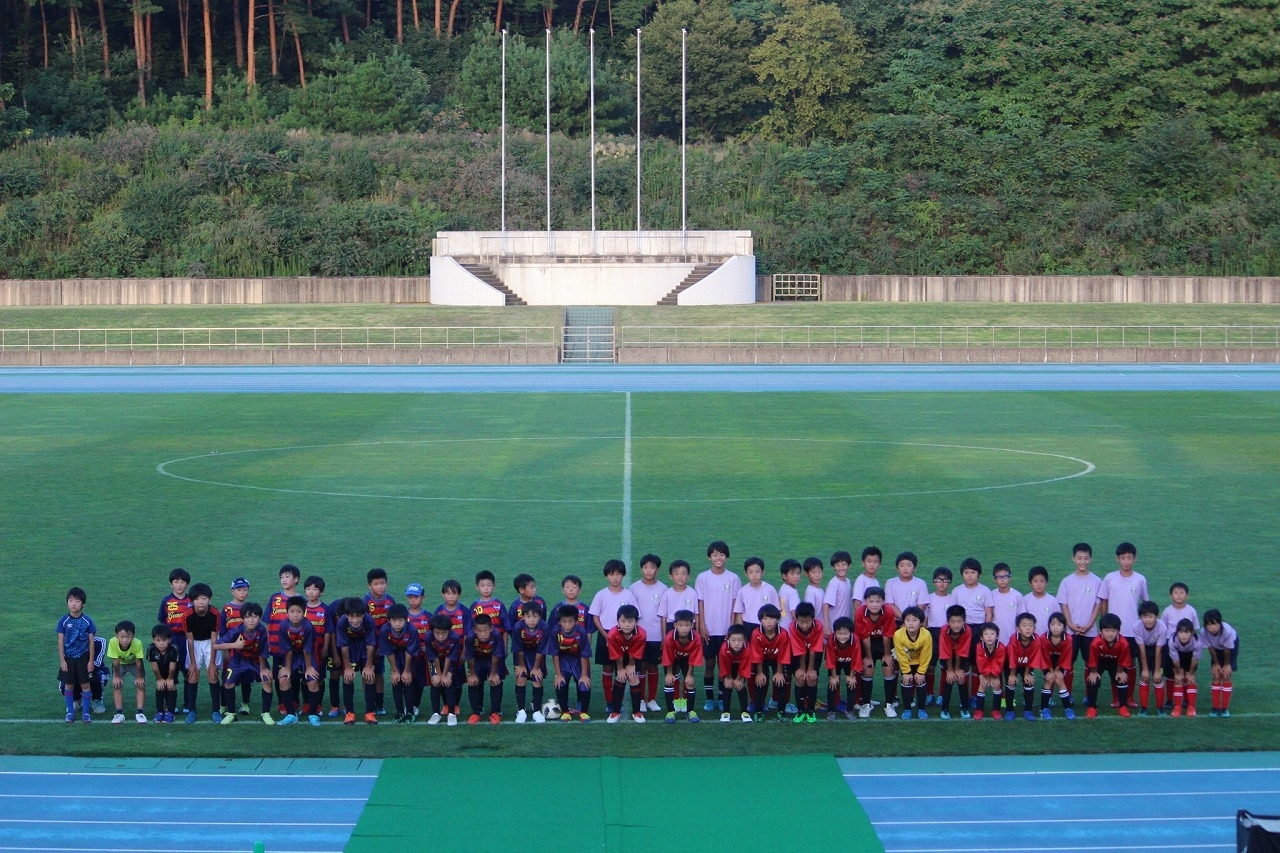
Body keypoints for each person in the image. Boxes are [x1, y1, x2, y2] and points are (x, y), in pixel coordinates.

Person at [1098, 542, 1148, 706]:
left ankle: (1129, 697)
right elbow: (1103, 602)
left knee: (1130, 663)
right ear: (1117, 559)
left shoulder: (1140, 579)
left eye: (1129, 558)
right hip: (1113, 631)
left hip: (1133, 630)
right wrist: (1104, 626)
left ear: (1135, 559)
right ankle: (1116, 697)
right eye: (1123, 558)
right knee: (1115, 664)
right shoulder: (1110, 578)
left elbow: (1146, 604)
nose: (1126, 561)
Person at [696, 541, 740, 712]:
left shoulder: (733, 578)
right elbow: (700, 603)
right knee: (709, 663)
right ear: (709, 557)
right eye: (715, 554)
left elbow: (735, 606)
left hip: (725, 631)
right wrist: (701, 626)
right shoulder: (702, 578)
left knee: (724, 665)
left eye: (722, 554)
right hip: (708, 629)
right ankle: (709, 699)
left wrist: (731, 628)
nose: (718, 558)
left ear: (727, 557)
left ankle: (722, 698)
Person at [590, 559, 638, 713]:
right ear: (606, 576)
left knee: (622, 669)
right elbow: (595, 617)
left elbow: (635, 616)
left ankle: (619, 701)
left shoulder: (628, 595)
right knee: (607, 667)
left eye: (618, 574)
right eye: (611, 574)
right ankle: (609, 701)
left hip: (624, 636)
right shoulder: (601, 595)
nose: (615, 577)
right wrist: (606, 636)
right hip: (605, 634)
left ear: (623, 575)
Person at [214, 603, 274, 726]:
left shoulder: (262, 630)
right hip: (238, 660)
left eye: (255, 616)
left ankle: (266, 714)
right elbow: (216, 645)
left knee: (267, 680)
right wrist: (234, 645)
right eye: (247, 617)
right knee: (228, 683)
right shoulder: (237, 630)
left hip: (256, 660)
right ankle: (231, 714)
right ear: (242, 618)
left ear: (259, 618)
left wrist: (263, 669)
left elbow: (263, 651)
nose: (251, 620)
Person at [1057, 543, 1102, 694]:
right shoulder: (1067, 581)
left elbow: (1098, 605)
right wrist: (1069, 623)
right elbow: (1064, 605)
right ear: (1073, 559)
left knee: (1091, 664)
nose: (1083, 562)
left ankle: (1089, 696)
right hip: (1070, 632)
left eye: (1086, 558)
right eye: (1079, 558)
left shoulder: (1096, 581)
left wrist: (1089, 625)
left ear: (1091, 559)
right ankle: (1067, 694)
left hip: (1090, 632)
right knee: (1068, 664)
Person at [631, 554, 669, 712]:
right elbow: (631, 616)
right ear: (641, 569)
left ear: (657, 570)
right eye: (645, 567)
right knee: (640, 667)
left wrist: (664, 636)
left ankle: (651, 699)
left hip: (656, 635)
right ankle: (640, 700)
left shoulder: (663, 589)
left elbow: (664, 615)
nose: (648, 570)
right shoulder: (634, 588)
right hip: (639, 637)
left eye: (652, 567)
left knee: (653, 667)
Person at [275, 595, 320, 726]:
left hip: (308, 656)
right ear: (287, 612)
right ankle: (291, 714)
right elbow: (287, 649)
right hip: (292, 656)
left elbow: (307, 649)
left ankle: (313, 714)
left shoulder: (308, 626)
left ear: (304, 612)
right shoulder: (283, 626)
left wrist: (309, 667)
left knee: (312, 681)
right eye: (292, 611)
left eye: (299, 612)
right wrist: (287, 668)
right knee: (283, 679)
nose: (295, 615)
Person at [544, 604, 593, 721]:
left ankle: (584, 712)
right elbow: (554, 653)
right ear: (559, 621)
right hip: (563, 660)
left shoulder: (581, 631)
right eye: (564, 621)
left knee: (584, 684)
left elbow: (584, 654)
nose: (567, 625)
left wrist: (584, 675)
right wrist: (558, 674)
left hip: (579, 660)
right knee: (560, 683)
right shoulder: (555, 631)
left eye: (570, 622)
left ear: (576, 621)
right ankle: (565, 712)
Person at [855, 587, 899, 717]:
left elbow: (887, 635)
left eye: (878, 601)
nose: (874, 604)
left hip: (884, 641)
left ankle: (889, 704)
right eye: (871, 601)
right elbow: (864, 637)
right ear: (865, 602)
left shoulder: (889, 612)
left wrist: (886, 655)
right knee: (868, 668)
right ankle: (866, 704)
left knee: (888, 668)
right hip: (868, 642)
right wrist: (868, 657)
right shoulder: (859, 612)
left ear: (883, 602)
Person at [183, 582, 223, 724]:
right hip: (194, 643)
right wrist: (193, 662)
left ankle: (215, 710)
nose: (201, 602)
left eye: (204, 598)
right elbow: (190, 640)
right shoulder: (187, 615)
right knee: (193, 674)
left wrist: (212, 662)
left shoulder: (215, 613)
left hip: (210, 643)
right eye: (197, 599)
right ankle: (192, 710)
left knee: (212, 674)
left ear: (209, 599)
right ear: (192, 600)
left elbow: (214, 639)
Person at [953, 558, 992, 699]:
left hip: (979, 630)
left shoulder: (985, 590)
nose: (969, 575)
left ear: (979, 574)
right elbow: (954, 614)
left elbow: (988, 613)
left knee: (977, 664)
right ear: (962, 574)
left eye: (973, 572)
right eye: (966, 572)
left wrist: (985, 632)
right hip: (963, 631)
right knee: (964, 663)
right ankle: (964, 696)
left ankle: (975, 695)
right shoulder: (957, 591)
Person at [333, 598, 377, 724]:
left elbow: (370, 644)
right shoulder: (341, 622)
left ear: (364, 614)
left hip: (364, 647)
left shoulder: (369, 621)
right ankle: (350, 713)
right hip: (350, 647)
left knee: (370, 676)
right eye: (351, 616)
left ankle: (370, 712)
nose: (355, 620)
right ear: (346, 615)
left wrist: (369, 666)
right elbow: (343, 645)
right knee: (347, 677)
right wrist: (347, 667)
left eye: (358, 616)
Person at [57, 587, 96, 724]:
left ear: (82, 604)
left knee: (85, 685)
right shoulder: (63, 621)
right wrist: (62, 660)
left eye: (77, 601)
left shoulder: (87, 621)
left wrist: (91, 660)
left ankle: (86, 712)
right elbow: (60, 641)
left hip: (83, 658)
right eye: (71, 600)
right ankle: (70, 712)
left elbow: (91, 641)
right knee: (69, 685)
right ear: (67, 602)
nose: (73, 604)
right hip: (68, 658)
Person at [604, 603, 648, 723]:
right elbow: (615, 653)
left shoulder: (641, 633)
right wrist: (620, 668)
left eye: (630, 621)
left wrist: (631, 665)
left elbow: (636, 652)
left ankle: (637, 712)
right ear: (618, 621)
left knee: (634, 678)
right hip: (619, 657)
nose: (626, 624)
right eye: (623, 621)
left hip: (634, 657)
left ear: (636, 621)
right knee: (620, 677)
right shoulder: (612, 634)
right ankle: (615, 712)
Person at [376, 603, 419, 724]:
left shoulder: (412, 630)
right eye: (394, 620)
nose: (397, 624)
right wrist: (395, 670)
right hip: (394, 656)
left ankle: (410, 712)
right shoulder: (384, 630)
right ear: (389, 620)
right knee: (396, 681)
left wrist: (406, 671)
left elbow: (410, 651)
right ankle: (399, 712)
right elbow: (388, 651)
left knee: (407, 681)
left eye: (400, 620)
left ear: (406, 620)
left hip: (409, 657)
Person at [158, 568, 193, 714]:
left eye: (182, 582)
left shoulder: (192, 600)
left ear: (187, 584)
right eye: (176, 582)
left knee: (188, 671)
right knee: (169, 673)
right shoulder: (166, 601)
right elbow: (162, 621)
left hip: (187, 639)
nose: (179, 585)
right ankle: (169, 704)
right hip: (171, 640)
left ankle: (188, 704)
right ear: (171, 584)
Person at [748, 604, 791, 722]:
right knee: (760, 681)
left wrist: (779, 672)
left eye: (772, 619)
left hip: (778, 659)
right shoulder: (756, 633)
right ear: (760, 620)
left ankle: (781, 711)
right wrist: (760, 673)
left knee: (781, 682)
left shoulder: (783, 634)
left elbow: (783, 654)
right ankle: (758, 711)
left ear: (777, 620)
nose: (769, 622)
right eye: (765, 619)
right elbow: (757, 655)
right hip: (763, 660)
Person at [1085, 613, 1133, 718]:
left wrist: (1120, 671)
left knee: (1122, 679)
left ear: (1118, 631)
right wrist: (1093, 672)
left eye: (1113, 631)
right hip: (1100, 662)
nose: (1110, 634)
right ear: (1101, 631)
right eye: (1106, 631)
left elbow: (1123, 660)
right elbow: (1093, 659)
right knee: (1093, 680)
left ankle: (1123, 707)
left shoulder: (1123, 643)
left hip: (1116, 663)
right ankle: (1091, 707)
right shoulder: (1096, 642)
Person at [660, 609, 703, 723]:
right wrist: (669, 673)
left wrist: (689, 674)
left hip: (687, 660)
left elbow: (694, 657)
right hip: (672, 660)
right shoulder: (669, 637)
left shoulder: (696, 637)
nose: (684, 628)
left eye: (687, 625)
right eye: (680, 625)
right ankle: (670, 712)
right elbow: (668, 657)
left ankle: (690, 711)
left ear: (692, 625)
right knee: (669, 681)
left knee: (689, 682)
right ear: (675, 625)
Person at [464, 613, 507, 724]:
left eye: (485, 631)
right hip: (477, 660)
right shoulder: (470, 637)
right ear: (474, 630)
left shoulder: (496, 635)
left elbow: (496, 655)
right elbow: (470, 657)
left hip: (493, 660)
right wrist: (472, 674)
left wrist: (493, 673)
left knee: (495, 681)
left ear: (491, 629)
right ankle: (475, 712)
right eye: (479, 631)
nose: (482, 634)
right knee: (473, 682)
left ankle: (495, 712)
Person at [510, 603, 549, 723]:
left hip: (536, 654)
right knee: (520, 677)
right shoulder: (517, 627)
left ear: (540, 617)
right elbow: (518, 649)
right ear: (523, 617)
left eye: (535, 616)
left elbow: (541, 650)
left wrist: (536, 668)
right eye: (528, 616)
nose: (531, 620)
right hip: (522, 654)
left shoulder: (545, 628)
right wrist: (521, 666)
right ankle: (521, 710)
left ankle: (536, 710)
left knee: (537, 678)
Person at [364, 567, 396, 715]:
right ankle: (369, 701)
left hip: (384, 644)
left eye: (382, 583)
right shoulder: (365, 602)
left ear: (386, 584)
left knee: (380, 672)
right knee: (368, 673)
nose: (380, 587)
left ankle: (380, 703)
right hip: (368, 644)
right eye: (376, 584)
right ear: (369, 586)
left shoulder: (390, 601)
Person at [893, 605, 933, 719]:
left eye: (914, 620)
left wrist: (920, 672)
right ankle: (907, 709)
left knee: (920, 681)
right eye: (908, 620)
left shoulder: (926, 635)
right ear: (903, 622)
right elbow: (901, 655)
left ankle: (921, 709)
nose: (911, 623)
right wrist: (906, 672)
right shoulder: (898, 634)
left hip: (921, 662)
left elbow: (926, 655)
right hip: (907, 662)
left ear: (921, 623)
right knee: (906, 681)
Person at [423, 614, 462, 725]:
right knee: (435, 683)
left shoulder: (455, 637)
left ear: (449, 631)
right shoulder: (428, 637)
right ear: (432, 631)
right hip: (435, 661)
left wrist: (446, 674)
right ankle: (435, 713)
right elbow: (432, 657)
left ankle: (451, 713)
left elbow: (451, 657)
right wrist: (438, 674)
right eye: (437, 633)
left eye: (443, 633)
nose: (440, 637)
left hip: (450, 661)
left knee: (448, 683)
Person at [1004, 613, 1044, 720]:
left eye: (1031, 625)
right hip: (1011, 664)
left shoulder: (1036, 639)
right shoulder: (1014, 638)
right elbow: (1011, 657)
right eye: (1024, 625)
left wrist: (1027, 673)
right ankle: (1009, 710)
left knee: (1029, 683)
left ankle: (1028, 710)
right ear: (1018, 628)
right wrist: (1012, 674)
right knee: (1010, 684)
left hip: (1026, 665)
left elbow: (1034, 657)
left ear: (1034, 628)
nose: (1028, 628)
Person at [924, 567, 955, 706]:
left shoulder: (952, 599)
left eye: (945, 580)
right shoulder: (928, 598)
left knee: (944, 666)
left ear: (949, 582)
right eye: (938, 580)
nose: (941, 583)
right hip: (931, 634)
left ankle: (942, 695)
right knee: (930, 666)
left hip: (946, 635)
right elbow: (925, 618)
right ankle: (929, 693)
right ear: (934, 581)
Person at [788, 602, 825, 722]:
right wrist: (802, 669)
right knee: (800, 678)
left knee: (811, 678)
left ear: (813, 619)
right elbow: (799, 650)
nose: (804, 625)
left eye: (807, 622)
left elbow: (814, 649)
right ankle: (800, 711)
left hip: (814, 654)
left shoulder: (818, 626)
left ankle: (810, 710)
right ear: (796, 619)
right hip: (798, 655)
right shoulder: (792, 627)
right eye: (801, 622)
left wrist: (810, 669)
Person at [1035, 612, 1076, 719]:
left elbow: (1065, 656)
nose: (1055, 628)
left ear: (1064, 627)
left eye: (1059, 625)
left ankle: (1068, 708)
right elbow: (1044, 656)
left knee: (1059, 680)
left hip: (1060, 664)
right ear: (1049, 626)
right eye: (1053, 625)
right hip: (1048, 664)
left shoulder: (1068, 639)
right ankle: (1043, 709)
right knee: (1049, 680)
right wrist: (1051, 671)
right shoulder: (1044, 638)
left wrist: (1057, 670)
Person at [222, 578, 253, 715]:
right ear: (232, 591)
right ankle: (224, 705)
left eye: (245, 590)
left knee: (246, 678)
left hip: (247, 650)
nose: (242, 593)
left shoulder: (250, 609)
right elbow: (222, 631)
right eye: (239, 590)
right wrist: (225, 650)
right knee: (227, 678)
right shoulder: (227, 608)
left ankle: (245, 704)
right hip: (231, 649)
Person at [106, 620, 147, 724]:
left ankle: (140, 712)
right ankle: (119, 713)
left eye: (128, 637)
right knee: (117, 685)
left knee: (140, 685)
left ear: (133, 636)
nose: (125, 640)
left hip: (134, 663)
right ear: (116, 635)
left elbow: (139, 661)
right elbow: (115, 662)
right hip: (120, 664)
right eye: (122, 637)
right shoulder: (113, 642)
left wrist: (139, 677)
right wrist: (116, 676)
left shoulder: (137, 643)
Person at [937, 605, 973, 720]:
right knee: (949, 680)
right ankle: (945, 709)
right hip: (947, 657)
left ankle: (964, 707)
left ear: (964, 621)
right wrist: (950, 670)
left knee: (961, 679)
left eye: (959, 621)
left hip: (962, 657)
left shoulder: (967, 630)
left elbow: (961, 651)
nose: (956, 625)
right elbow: (946, 650)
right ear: (948, 622)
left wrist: (958, 669)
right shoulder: (944, 630)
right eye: (952, 621)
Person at [1132, 600, 1167, 716]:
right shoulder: (1136, 627)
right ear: (1140, 617)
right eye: (1144, 617)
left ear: (1157, 616)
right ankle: (1143, 708)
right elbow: (1141, 649)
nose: (1147, 620)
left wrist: (1157, 670)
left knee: (1158, 678)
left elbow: (1159, 650)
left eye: (1151, 617)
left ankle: (1160, 708)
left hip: (1159, 650)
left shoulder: (1162, 627)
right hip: (1144, 650)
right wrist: (1145, 670)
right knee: (1144, 677)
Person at [1201, 609, 1238, 717]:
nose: (1212, 627)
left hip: (1231, 648)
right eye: (1209, 625)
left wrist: (1226, 665)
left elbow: (1227, 650)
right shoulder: (1204, 632)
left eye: (1215, 624)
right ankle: (1215, 707)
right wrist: (1216, 663)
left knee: (1226, 675)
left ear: (1220, 623)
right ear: (1205, 626)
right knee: (1216, 674)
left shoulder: (1227, 631)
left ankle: (1224, 709)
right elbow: (1211, 648)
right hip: (1216, 649)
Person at [824, 616, 861, 721]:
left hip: (849, 662)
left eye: (845, 634)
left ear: (851, 633)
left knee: (852, 683)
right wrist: (834, 676)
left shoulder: (855, 640)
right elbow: (830, 659)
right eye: (839, 633)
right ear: (835, 632)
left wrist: (852, 676)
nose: (842, 636)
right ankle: (831, 710)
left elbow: (856, 658)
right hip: (835, 662)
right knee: (832, 684)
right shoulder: (831, 639)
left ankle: (850, 710)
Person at [717, 624, 754, 723]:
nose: (736, 643)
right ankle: (726, 712)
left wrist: (739, 679)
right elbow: (723, 664)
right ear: (728, 638)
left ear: (745, 639)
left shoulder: (748, 648)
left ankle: (744, 712)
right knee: (727, 686)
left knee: (740, 686)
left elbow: (745, 665)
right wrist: (728, 677)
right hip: (729, 667)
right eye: (733, 640)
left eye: (740, 640)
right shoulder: (724, 648)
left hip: (741, 667)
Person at [734, 556, 779, 634]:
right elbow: (739, 614)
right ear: (746, 573)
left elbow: (777, 611)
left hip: (765, 625)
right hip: (748, 625)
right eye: (751, 572)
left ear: (762, 572)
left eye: (757, 571)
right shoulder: (742, 591)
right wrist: (741, 632)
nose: (754, 575)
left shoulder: (770, 589)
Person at [1167, 617, 1202, 717]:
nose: (1183, 635)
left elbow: (1195, 660)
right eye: (1181, 632)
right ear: (1177, 632)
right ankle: (1177, 707)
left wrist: (1190, 673)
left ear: (1192, 633)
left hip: (1190, 655)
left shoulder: (1197, 642)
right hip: (1177, 656)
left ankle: (1191, 707)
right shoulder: (1172, 641)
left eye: (1186, 632)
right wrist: (1178, 673)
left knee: (1190, 679)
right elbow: (1175, 660)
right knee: (1178, 679)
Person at [971, 622, 1006, 720]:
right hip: (984, 672)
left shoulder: (1001, 647)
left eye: (992, 634)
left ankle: (996, 710)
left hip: (995, 672)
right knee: (982, 685)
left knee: (997, 685)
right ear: (982, 637)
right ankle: (979, 710)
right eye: (986, 634)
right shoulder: (979, 646)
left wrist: (994, 676)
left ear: (997, 636)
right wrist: (983, 675)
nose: (989, 637)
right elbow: (981, 662)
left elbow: (998, 663)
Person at [147, 624, 181, 723]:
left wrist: (170, 678)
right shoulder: (151, 649)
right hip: (159, 669)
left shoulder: (174, 649)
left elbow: (173, 666)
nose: (161, 643)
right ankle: (159, 711)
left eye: (164, 640)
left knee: (171, 686)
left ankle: (170, 712)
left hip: (172, 669)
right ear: (153, 640)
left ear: (169, 640)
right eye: (158, 641)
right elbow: (154, 666)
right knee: (160, 686)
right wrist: (159, 679)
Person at [883, 552, 929, 622]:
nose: (905, 568)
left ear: (915, 568)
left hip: (914, 621)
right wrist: (905, 619)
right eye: (902, 565)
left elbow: (921, 606)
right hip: (895, 620)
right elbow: (890, 604)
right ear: (897, 568)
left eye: (908, 565)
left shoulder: (921, 583)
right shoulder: (890, 583)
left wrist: (911, 621)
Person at [657, 560, 699, 635]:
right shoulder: (667, 594)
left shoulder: (692, 593)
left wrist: (697, 634)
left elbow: (696, 614)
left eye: (683, 574)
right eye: (676, 574)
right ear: (671, 576)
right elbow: (664, 617)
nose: (680, 577)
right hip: (672, 626)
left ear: (688, 576)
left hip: (689, 626)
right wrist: (664, 637)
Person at [989, 563, 1023, 643]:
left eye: (1005, 576)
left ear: (1010, 578)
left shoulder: (1017, 596)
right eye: (999, 577)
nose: (1002, 579)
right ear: (994, 579)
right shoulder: (991, 595)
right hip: (995, 638)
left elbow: (1021, 617)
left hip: (1013, 638)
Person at [823, 550, 854, 636]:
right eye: (837, 565)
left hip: (846, 624)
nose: (841, 568)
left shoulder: (847, 582)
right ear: (833, 567)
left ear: (849, 565)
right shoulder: (834, 583)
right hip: (835, 626)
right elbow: (826, 604)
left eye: (844, 564)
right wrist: (826, 625)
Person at [1022, 566, 1060, 634]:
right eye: (1035, 581)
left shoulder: (1052, 601)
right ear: (1030, 583)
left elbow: (1058, 620)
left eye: (1042, 581)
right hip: (1031, 639)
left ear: (1047, 583)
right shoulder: (1025, 600)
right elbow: (1022, 621)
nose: (1039, 584)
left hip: (1048, 638)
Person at [778, 559, 802, 630]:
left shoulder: (783, 587)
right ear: (784, 576)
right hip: (790, 630)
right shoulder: (792, 592)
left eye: (798, 573)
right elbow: (794, 614)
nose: (796, 576)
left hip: (782, 626)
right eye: (792, 574)